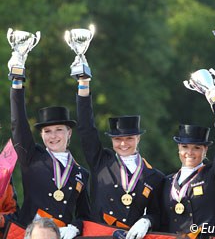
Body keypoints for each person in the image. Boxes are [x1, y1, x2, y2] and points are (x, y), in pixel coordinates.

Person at [76, 76, 164, 239]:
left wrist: (147, 220)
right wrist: (83, 85)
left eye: (129, 138)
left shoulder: (155, 177)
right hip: (99, 235)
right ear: (111, 140)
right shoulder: (101, 161)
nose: (123, 144)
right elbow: (86, 129)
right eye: (117, 139)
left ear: (138, 138)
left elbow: (157, 214)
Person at [10, 71, 91, 238]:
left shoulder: (81, 173)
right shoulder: (32, 157)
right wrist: (17, 83)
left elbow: (85, 215)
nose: (53, 136)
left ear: (69, 133)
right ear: (41, 135)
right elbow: (18, 124)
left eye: (59, 130)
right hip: (30, 233)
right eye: (47, 131)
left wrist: (74, 227)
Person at [159, 68, 215, 239]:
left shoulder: (213, 175)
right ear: (179, 149)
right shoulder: (166, 181)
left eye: (197, 148)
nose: (190, 153)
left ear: (205, 149)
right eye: (185, 147)